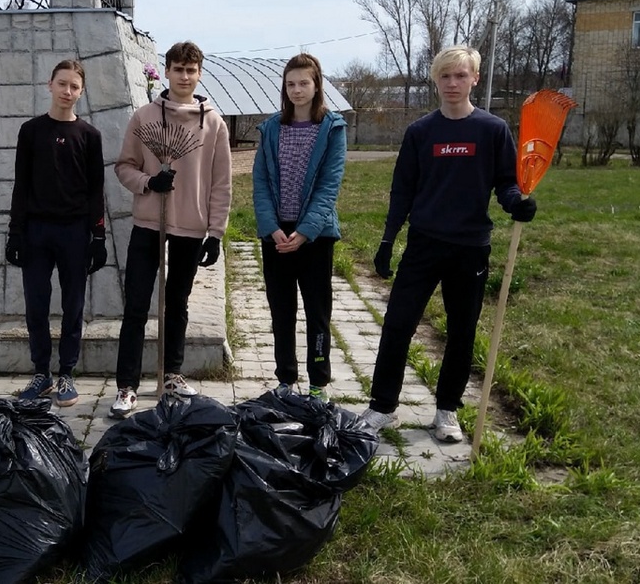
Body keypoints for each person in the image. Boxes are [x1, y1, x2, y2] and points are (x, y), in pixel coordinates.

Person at [358, 45, 537, 443]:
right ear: (435, 80)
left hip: (470, 247)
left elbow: (506, 182)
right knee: (398, 324)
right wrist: (388, 239)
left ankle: (447, 411)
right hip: (424, 244)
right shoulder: (421, 132)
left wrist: (515, 204)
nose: (452, 83)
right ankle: (382, 407)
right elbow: (402, 190)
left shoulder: (492, 130)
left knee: (461, 331)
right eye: (445, 76)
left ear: (475, 78)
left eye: (461, 75)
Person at [109, 41, 233, 419]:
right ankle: (127, 385)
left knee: (177, 303)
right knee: (136, 305)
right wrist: (148, 182)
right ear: (166, 71)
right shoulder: (144, 117)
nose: (184, 76)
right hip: (150, 223)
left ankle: (172, 375)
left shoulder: (213, 123)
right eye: (177, 69)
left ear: (199, 74)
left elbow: (221, 182)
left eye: (190, 70)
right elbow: (123, 165)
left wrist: (216, 231)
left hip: (191, 228)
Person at [6, 59, 108, 407]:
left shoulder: (90, 136)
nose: (67, 91)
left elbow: (97, 190)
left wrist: (98, 237)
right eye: (62, 83)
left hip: (75, 232)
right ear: (49, 85)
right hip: (36, 231)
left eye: (74, 86)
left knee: (73, 305)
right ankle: (41, 374)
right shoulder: (31, 131)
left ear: (81, 92)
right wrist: (15, 233)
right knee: (36, 304)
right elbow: (21, 184)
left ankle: (66, 373)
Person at [252, 53, 347, 403]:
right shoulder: (272, 128)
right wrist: (271, 227)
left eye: (303, 83)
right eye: (290, 84)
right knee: (281, 311)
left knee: (317, 312)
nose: (297, 90)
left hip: (315, 236)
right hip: (276, 234)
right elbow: (260, 182)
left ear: (316, 84)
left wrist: (305, 232)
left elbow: (329, 185)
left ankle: (319, 382)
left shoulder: (332, 128)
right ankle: (285, 379)